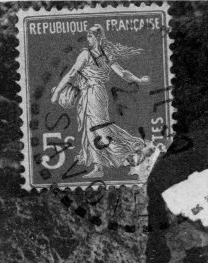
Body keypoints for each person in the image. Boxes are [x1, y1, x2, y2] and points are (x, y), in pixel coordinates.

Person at [50, 25, 153, 180]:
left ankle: (130, 150)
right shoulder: (106, 54)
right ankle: (99, 167)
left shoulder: (87, 54)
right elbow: (123, 73)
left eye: (91, 36)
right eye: (88, 36)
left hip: (93, 94)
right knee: (91, 129)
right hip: (93, 93)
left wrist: (58, 91)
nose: (88, 38)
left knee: (98, 128)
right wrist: (139, 79)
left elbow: (73, 73)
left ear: (98, 37)